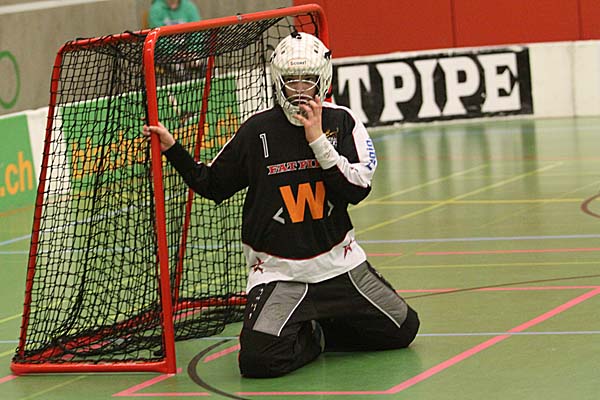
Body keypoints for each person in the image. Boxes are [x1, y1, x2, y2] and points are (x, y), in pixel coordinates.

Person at [143, 32, 420, 378]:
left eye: (308, 80)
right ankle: (314, 336)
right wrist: (173, 150)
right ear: (278, 81)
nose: (300, 89)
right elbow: (212, 185)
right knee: (258, 363)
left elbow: (356, 190)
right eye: (291, 80)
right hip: (280, 275)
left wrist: (318, 141)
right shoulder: (256, 130)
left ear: (323, 79)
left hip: (340, 266)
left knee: (403, 329)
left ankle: (324, 323)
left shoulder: (342, 122)